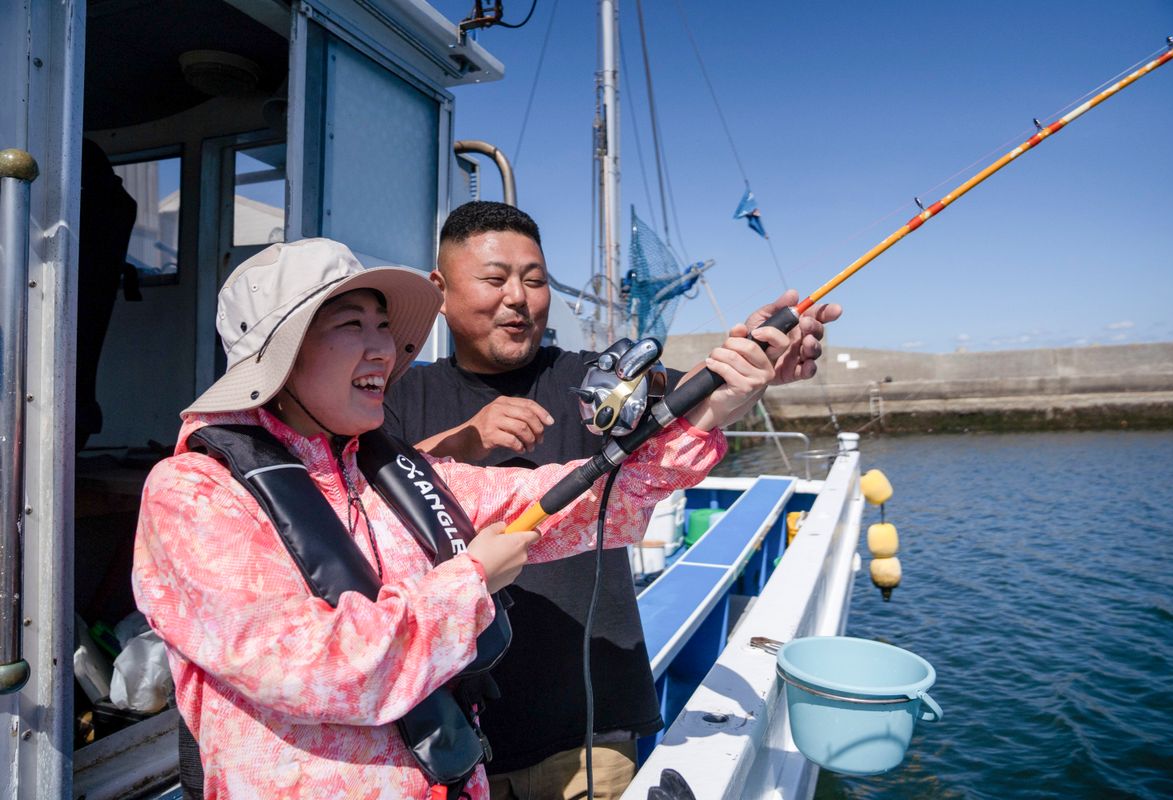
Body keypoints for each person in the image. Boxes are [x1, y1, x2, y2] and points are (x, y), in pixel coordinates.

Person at [132, 237, 795, 799]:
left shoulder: (391, 472)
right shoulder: (192, 493)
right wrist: (471, 580)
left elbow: (582, 499)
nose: (383, 350)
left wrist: (712, 408)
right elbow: (314, 665)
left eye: (383, 326)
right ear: (279, 358)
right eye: (348, 326)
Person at [384, 202, 841, 799]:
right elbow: (357, 499)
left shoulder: (593, 378)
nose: (519, 297)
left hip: (590, 733)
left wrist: (753, 361)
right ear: (440, 290)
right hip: (446, 737)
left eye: (536, 279)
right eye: (495, 279)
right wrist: (464, 440)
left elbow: (690, 397)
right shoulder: (399, 396)